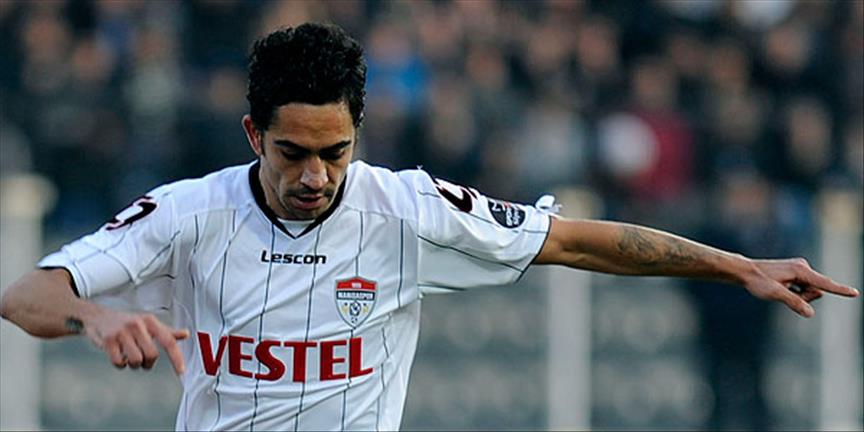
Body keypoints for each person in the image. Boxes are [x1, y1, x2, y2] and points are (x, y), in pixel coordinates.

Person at [0, 23, 858, 431]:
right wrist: (95, 315)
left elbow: (572, 240)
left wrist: (738, 264)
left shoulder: (406, 209)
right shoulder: (189, 213)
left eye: (335, 151)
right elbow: (26, 294)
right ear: (254, 134)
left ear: (357, 133)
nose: (316, 176)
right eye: (293, 153)